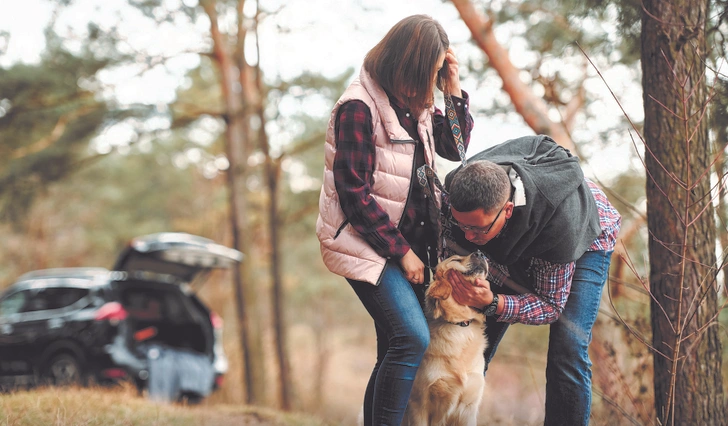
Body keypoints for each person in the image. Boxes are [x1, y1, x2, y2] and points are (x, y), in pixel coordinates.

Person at [316, 14, 473, 426]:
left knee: (393, 347)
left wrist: (452, 87)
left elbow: (455, 146)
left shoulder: (414, 101)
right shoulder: (358, 107)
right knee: (412, 337)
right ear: (406, 63)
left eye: (437, 72)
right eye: (430, 72)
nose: (431, 83)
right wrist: (402, 253)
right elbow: (353, 194)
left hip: (405, 245)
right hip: (364, 242)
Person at [442, 134, 621, 426]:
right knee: (468, 338)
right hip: (517, 236)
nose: (467, 236)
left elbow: (550, 306)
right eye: (461, 225)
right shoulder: (459, 190)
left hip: (588, 234)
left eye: (475, 229)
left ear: (507, 210)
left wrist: (495, 302)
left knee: (568, 347)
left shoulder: (559, 232)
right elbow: (455, 237)